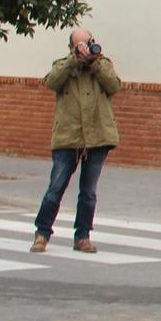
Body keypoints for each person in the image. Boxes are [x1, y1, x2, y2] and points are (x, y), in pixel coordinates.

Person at [32, 28, 121, 253]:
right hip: (68, 137)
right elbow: (51, 82)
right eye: (78, 45)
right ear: (71, 47)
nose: (84, 48)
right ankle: (42, 233)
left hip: (97, 137)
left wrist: (94, 63)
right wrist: (73, 61)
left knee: (88, 192)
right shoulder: (63, 65)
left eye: (87, 43)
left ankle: (82, 236)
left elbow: (114, 85)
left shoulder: (103, 64)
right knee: (56, 187)